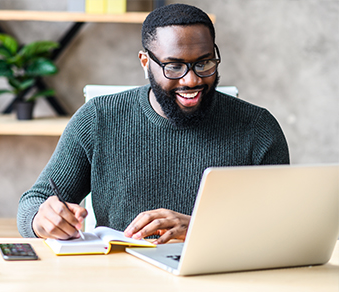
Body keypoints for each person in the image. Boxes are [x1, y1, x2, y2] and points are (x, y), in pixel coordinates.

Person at [17, 4, 289, 244]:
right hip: (121, 277)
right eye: (173, 66)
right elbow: (33, 203)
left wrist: (197, 227)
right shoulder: (98, 119)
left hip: (220, 277)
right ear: (145, 62)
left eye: (204, 63)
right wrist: (42, 220)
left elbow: (284, 226)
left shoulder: (258, 128)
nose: (191, 80)